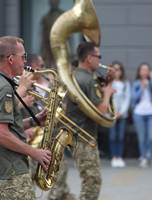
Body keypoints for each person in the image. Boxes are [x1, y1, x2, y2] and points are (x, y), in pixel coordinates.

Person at [0, 36, 51, 200]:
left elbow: (4, 124)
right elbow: (0, 134)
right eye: (23, 57)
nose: (25, 62)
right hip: (10, 169)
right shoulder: (3, 88)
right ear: (11, 59)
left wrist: (34, 121)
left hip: (3, 168)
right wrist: (34, 152)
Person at [66, 41, 115, 200]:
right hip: (83, 136)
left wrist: (107, 84)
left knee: (91, 179)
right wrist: (107, 93)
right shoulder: (85, 79)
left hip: (81, 134)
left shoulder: (80, 75)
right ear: (89, 58)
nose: (100, 59)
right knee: (92, 180)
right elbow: (100, 110)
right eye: (98, 56)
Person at [109, 61, 131, 168]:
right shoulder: (108, 83)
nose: (116, 72)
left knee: (121, 137)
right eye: (114, 69)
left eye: (118, 69)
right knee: (113, 136)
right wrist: (113, 112)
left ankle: (119, 157)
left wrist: (121, 112)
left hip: (122, 115)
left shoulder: (125, 84)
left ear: (121, 71)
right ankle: (114, 157)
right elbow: (108, 99)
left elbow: (127, 99)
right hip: (111, 115)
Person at [132, 63, 152, 168]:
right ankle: (143, 157)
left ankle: (148, 154)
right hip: (139, 113)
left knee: (150, 137)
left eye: (146, 70)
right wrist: (142, 87)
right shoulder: (136, 83)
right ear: (139, 72)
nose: (144, 71)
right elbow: (134, 98)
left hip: (150, 113)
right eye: (142, 70)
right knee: (142, 138)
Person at [40, 0, 64, 67]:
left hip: (60, 46)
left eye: (55, 1)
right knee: (48, 66)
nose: (53, 2)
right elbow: (43, 35)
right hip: (48, 47)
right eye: (52, 1)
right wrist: (42, 51)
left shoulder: (63, 16)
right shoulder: (46, 18)